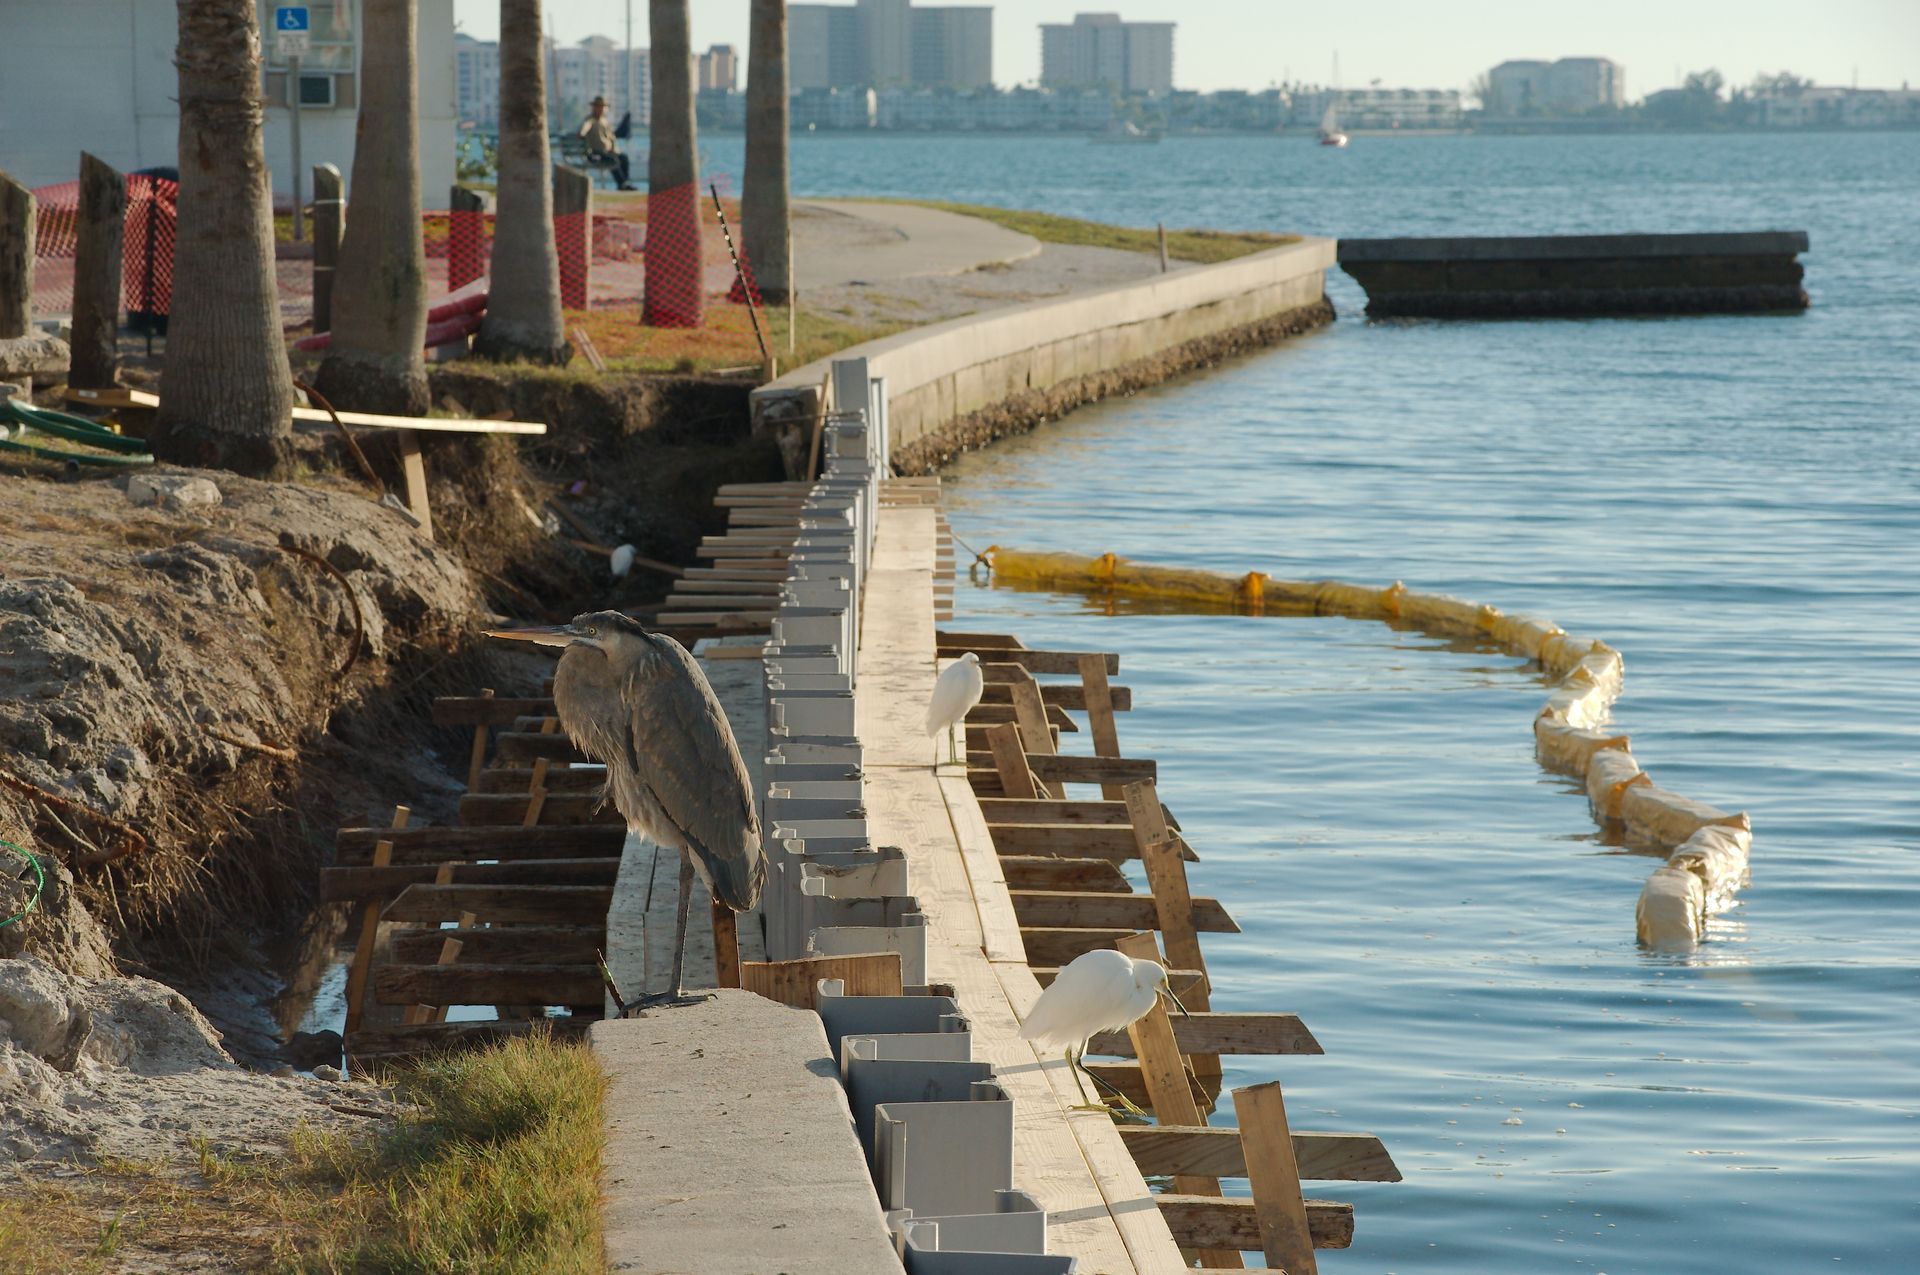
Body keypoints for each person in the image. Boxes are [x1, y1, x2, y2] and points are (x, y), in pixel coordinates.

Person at [579, 96, 632, 191]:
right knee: (612, 160)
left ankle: (625, 183)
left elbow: (611, 137)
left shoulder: (605, 122)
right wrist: (581, 133)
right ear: (594, 107)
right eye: (598, 106)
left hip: (607, 152)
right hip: (595, 153)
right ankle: (622, 184)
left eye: (602, 107)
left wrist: (614, 150)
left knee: (624, 158)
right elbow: (584, 128)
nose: (600, 109)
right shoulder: (590, 120)